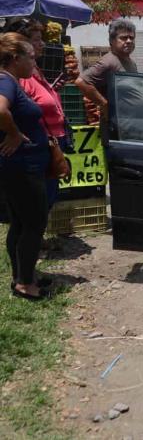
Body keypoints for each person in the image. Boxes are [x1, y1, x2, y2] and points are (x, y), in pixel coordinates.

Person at [0, 33, 52, 300]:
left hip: (20, 166)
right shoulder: (5, 82)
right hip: (21, 167)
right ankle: (25, 285)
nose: (35, 61)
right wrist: (14, 133)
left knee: (20, 224)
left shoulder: (12, 81)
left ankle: (23, 276)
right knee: (34, 224)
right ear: (14, 58)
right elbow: (0, 110)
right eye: (30, 57)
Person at [6, 18, 71, 208]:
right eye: (36, 39)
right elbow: (12, 109)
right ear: (22, 45)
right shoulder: (19, 77)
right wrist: (13, 133)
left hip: (48, 147)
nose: (42, 43)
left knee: (43, 205)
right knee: (35, 210)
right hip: (34, 152)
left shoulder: (34, 71)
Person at [75, 19, 143, 139]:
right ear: (112, 41)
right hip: (120, 130)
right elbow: (81, 81)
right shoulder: (109, 61)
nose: (129, 41)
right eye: (124, 38)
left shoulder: (131, 62)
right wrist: (104, 104)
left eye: (131, 37)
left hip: (135, 127)